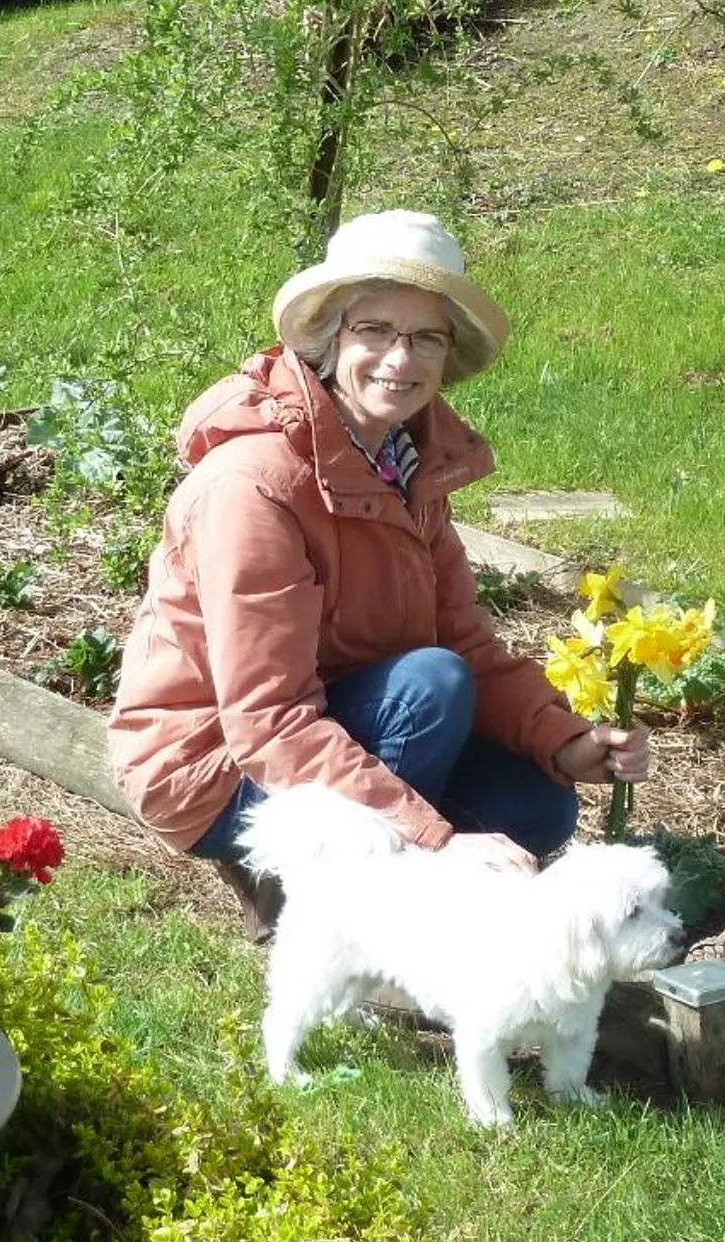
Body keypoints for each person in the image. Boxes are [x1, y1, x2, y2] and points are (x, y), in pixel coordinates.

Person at [108, 210, 649, 939]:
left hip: (340, 716)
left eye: (427, 337)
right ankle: (326, 917)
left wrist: (564, 739)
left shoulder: (405, 467)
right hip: (219, 765)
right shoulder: (256, 485)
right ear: (330, 340)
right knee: (430, 688)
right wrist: (438, 843)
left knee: (538, 806)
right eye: (376, 331)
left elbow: (469, 646)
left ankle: (386, 882)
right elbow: (266, 721)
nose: (401, 358)